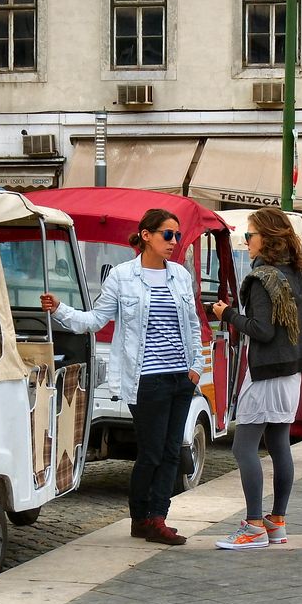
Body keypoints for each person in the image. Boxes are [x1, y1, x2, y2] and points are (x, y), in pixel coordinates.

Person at [40, 208, 202, 546]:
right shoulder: (122, 276)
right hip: (145, 378)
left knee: (173, 452)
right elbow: (95, 320)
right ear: (146, 235)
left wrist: (196, 368)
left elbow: (192, 324)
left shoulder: (181, 276)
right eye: (167, 235)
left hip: (180, 377)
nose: (174, 242)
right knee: (152, 453)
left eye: (177, 236)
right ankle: (141, 517)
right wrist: (59, 310)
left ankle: (157, 517)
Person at [210, 207, 302, 550]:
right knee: (278, 444)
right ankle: (276, 521)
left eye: (250, 236)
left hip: (265, 373)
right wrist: (293, 334)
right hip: (291, 371)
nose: (247, 242)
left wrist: (227, 314)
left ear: (267, 239)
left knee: (243, 446)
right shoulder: (293, 273)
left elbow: (261, 331)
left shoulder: (262, 278)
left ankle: (252, 525)